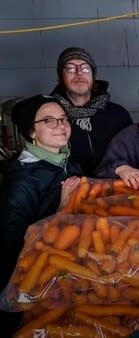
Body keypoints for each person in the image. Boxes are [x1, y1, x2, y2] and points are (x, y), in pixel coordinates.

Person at [0, 95, 82, 335]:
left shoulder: (68, 164)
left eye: (63, 119)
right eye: (49, 121)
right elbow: (16, 246)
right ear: (31, 133)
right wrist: (63, 210)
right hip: (35, 289)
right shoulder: (22, 181)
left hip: (67, 275)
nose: (61, 125)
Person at [50, 47, 132, 176]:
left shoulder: (118, 115)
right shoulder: (50, 118)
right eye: (70, 68)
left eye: (85, 68)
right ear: (61, 76)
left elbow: (131, 155)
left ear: (93, 75)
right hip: (67, 190)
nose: (79, 73)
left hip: (113, 189)